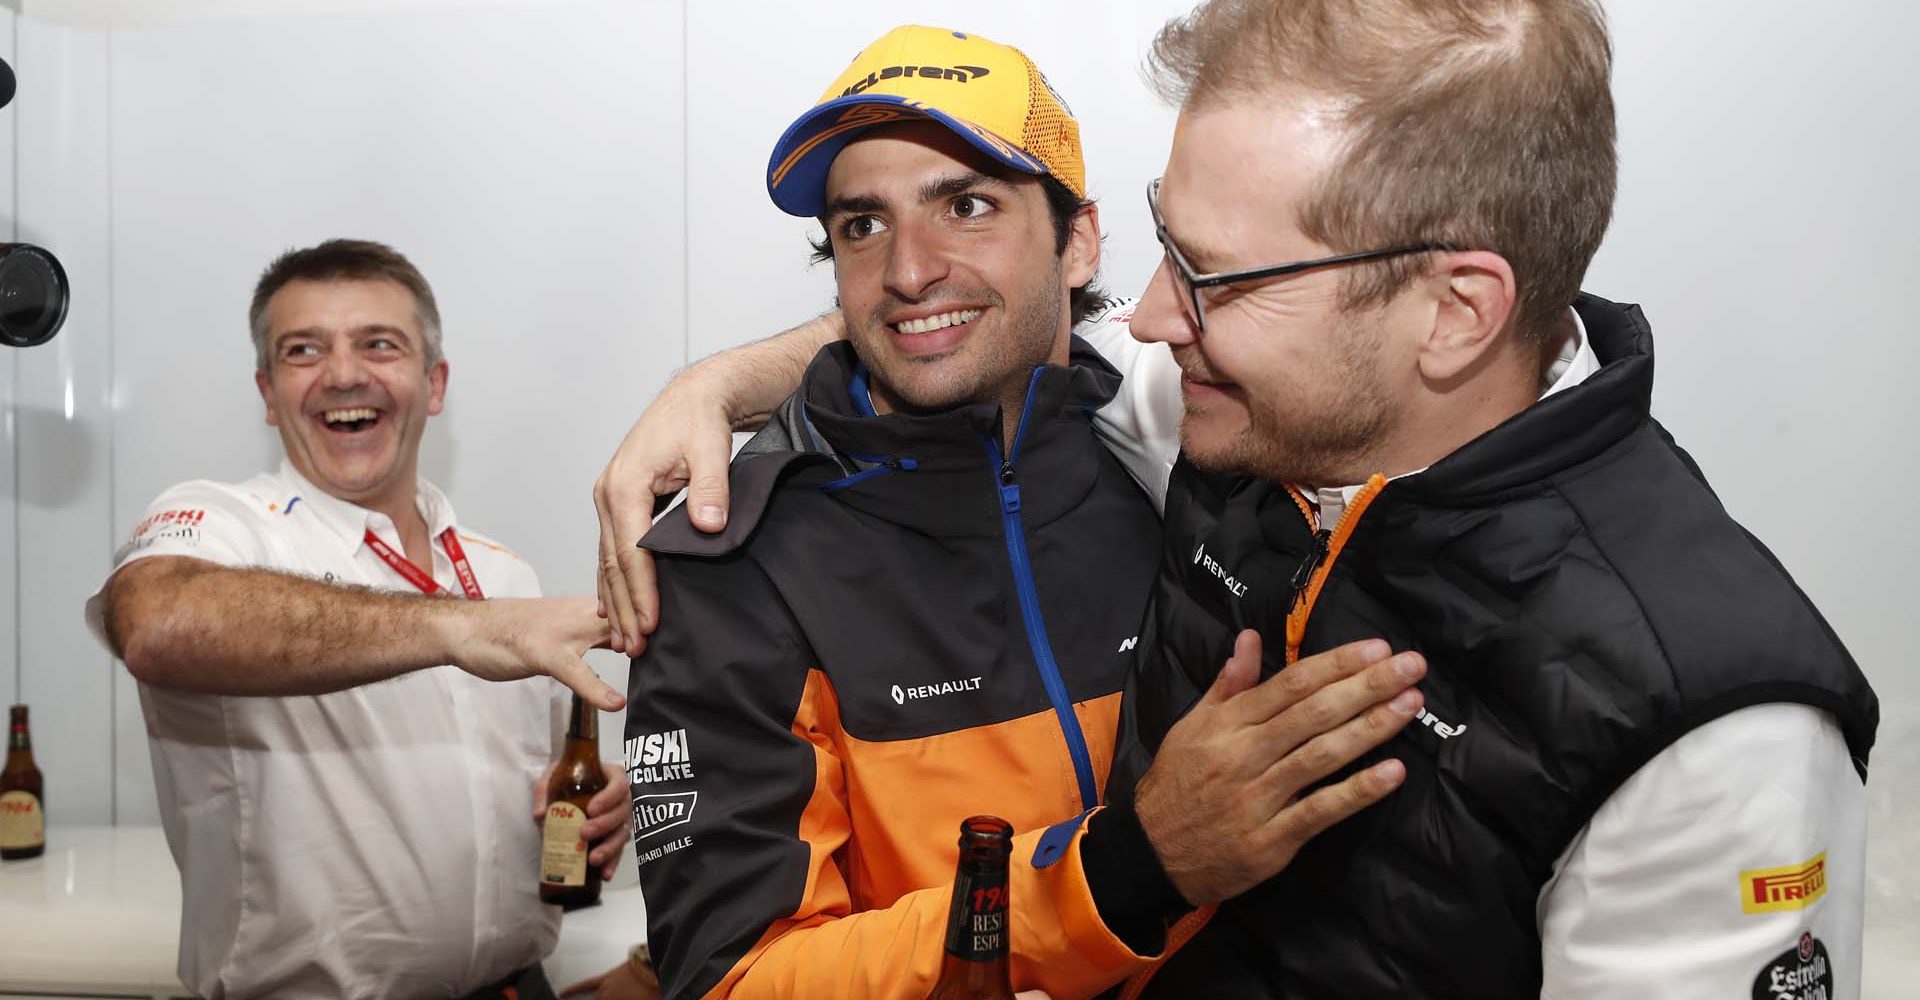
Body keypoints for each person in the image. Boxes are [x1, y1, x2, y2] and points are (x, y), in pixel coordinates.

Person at [595, 3, 1881, 998]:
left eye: (1210, 277)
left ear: (1454, 311)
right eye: (1167, 247)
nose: (1154, 322)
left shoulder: (1715, 739)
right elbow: (983, 347)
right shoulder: (1226, 423)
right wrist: (724, 382)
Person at [609, 26, 1425, 1000]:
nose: (909, 269)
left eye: (966, 205)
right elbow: (734, 980)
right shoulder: (730, 563)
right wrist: (1121, 874)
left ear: (1077, 240)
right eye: (862, 225)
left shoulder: (1186, 450)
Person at [88, 239, 632, 1000]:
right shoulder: (225, 528)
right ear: (268, 393)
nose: (344, 374)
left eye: (380, 344)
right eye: (303, 350)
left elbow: (524, 786)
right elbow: (156, 624)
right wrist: (456, 628)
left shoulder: (503, 573)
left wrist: (598, 797)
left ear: (433, 382)